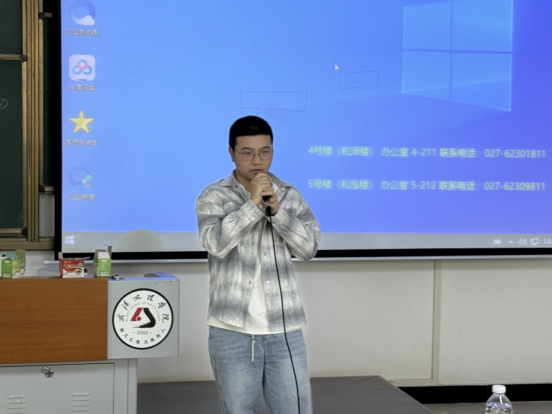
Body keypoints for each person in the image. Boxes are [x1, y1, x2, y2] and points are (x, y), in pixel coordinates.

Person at [196, 115, 320, 414]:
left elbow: (308, 248)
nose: (257, 161)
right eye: (247, 153)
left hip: (284, 326)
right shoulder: (214, 195)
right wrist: (252, 205)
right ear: (231, 153)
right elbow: (215, 243)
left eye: (265, 152)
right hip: (231, 327)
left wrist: (279, 214)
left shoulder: (288, 195)